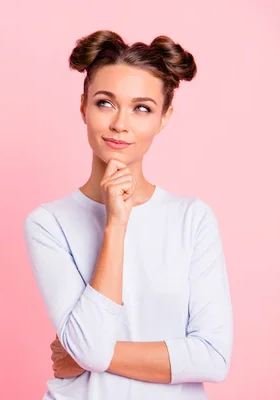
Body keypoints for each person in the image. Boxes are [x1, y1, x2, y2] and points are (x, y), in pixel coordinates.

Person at [23, 30, 233, 399]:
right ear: (83, 106)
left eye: (142, 108)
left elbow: (213, 357)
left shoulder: (191, 219)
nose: (121, 123)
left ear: (164, 117)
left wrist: (91, 357)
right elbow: (88, 343)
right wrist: (116, 225)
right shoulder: (48, 223)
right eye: (105, 103)